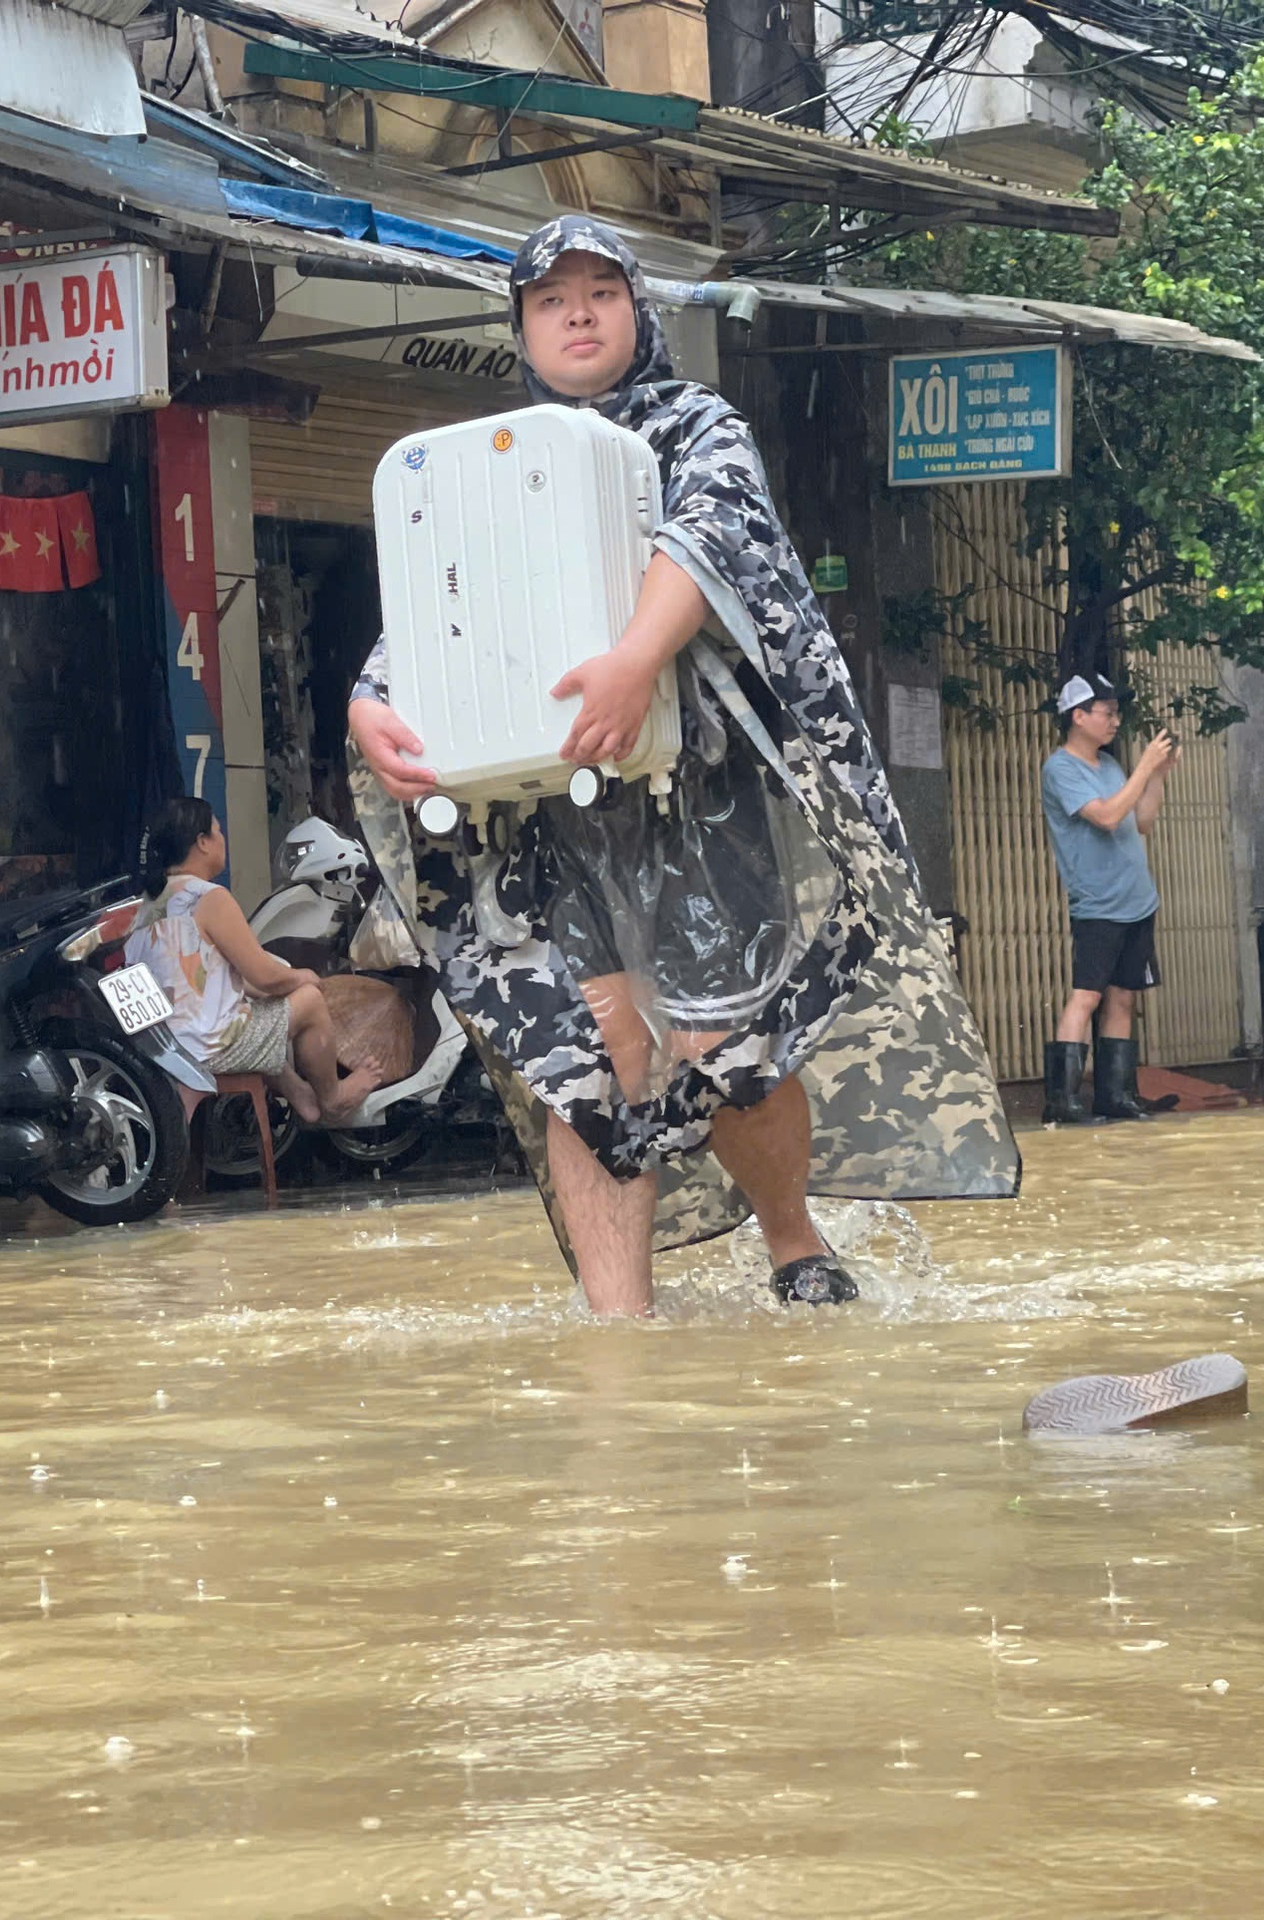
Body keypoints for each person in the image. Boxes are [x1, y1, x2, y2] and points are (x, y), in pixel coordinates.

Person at [346, 215, 1016, 1318]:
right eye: (550, 297)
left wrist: (634, 658)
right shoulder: (482, 462)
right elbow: (431, 606)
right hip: (548, 807)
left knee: (724, 1042)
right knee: (586, 1056)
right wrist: (372, 704)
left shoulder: (696, 424)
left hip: (699, 793)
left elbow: (706, 542)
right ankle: (620, 1328)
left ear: (637, 313)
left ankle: (794, 1243)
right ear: (519, 325)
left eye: (600, 291)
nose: (575, 312)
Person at [123, 796, 381, 1124]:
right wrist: (304, 978)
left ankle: (301, 1095)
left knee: (257, 1013)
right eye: (217, 831)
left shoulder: (146, 907)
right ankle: (332, 1098)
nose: (222, 839)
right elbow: (265, 976)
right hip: (208, 1046)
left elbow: (214, 978)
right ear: (202, 842)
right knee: (310, 1001)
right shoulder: (208, 897)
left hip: (163, 1047)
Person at [1039, 673, 1177, 1124]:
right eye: (1108, 712)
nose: (1115, 720)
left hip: (1137, 899)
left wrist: (1154, 775)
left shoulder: (1111, 766)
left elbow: (1140, 821)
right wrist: (1142, 768)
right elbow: (1105, 816)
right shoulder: (1060, 768)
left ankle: (1114, 1095)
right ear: (1078, 716)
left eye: (1118, 712)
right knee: (1087, 996)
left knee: (1123, 997)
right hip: (1098, 903)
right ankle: (1063, 1100)